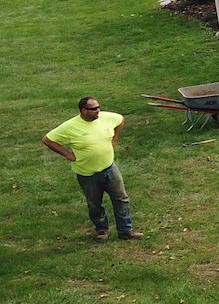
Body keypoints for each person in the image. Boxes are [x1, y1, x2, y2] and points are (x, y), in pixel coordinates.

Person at [43, 96, 144, 241]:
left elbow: (120, 119)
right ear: (83, 110)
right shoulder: (70, 127)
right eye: (94, 109)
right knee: (94, 204)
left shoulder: (106, 118)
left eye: (98, 107)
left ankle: (126, 231)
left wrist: (115, 139)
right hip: (87, 174)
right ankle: (102, 230)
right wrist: (67, 154)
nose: (98, 111)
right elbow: (47, 139)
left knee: (121, 199)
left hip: (110, 168)